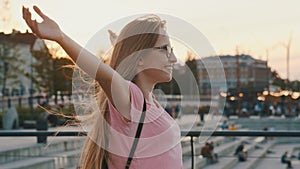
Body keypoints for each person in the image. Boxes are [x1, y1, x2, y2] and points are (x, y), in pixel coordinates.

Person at [22, 6, 182, 169]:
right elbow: (102, 74)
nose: (174, 58)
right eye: (165, 49)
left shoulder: (150, 102)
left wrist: (120, 45)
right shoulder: (133, 99)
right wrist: (61, 38)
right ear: (139, 58)